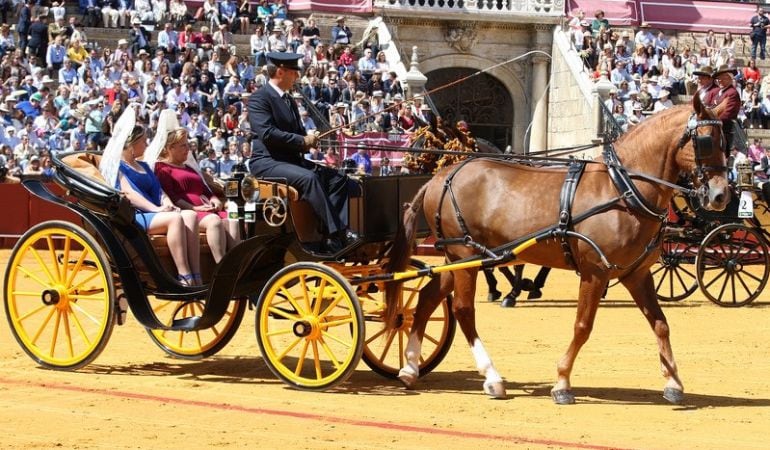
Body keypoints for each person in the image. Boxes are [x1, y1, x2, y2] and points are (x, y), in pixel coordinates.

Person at [247, 52, 357, 253]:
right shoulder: (259, 98)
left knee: (339, 179)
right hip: (267, 162)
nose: (297, 77)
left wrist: (310, 139)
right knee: (309, 178)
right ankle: (339, 233)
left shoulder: (288, 100)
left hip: (291, 161)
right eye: (294, 73)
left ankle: (328, 236)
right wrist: (301, 141)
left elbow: (297, 134)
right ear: (280, 72)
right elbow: (268, 133)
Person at [98, 107, 203, 285]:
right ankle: (183, 274)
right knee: (175, 220)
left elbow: (159, 191)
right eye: (143, 142)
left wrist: (169, 204)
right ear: (132, 145)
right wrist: (158, 209)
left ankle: (196, 273)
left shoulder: (144, 166)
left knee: (190, 215)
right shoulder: (120, 168)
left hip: (157, 212)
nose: (147, 145)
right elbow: (129, 194)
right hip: (136, 216)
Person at [148, 110, 241, 263]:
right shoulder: (162, 168)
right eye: (182, 146)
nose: (187, 150)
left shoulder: (188, 168)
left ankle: (238, 263)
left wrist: (215, 199)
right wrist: (194, 208)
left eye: (187, 145)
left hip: (208, 208)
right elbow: (172, 197)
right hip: (189, 212)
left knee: (233, 217)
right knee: (214, 222)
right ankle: (222, 266)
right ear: (170, 148)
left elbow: (205, 189)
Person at [712, 65, 744, 153]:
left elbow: (727, 114)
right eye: (718, 78)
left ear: (730, 79)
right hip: (715, 125)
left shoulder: (732, 93)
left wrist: (711, 120)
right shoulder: (718, 92)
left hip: (725, 129)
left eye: (724, 78)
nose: (720, 81)